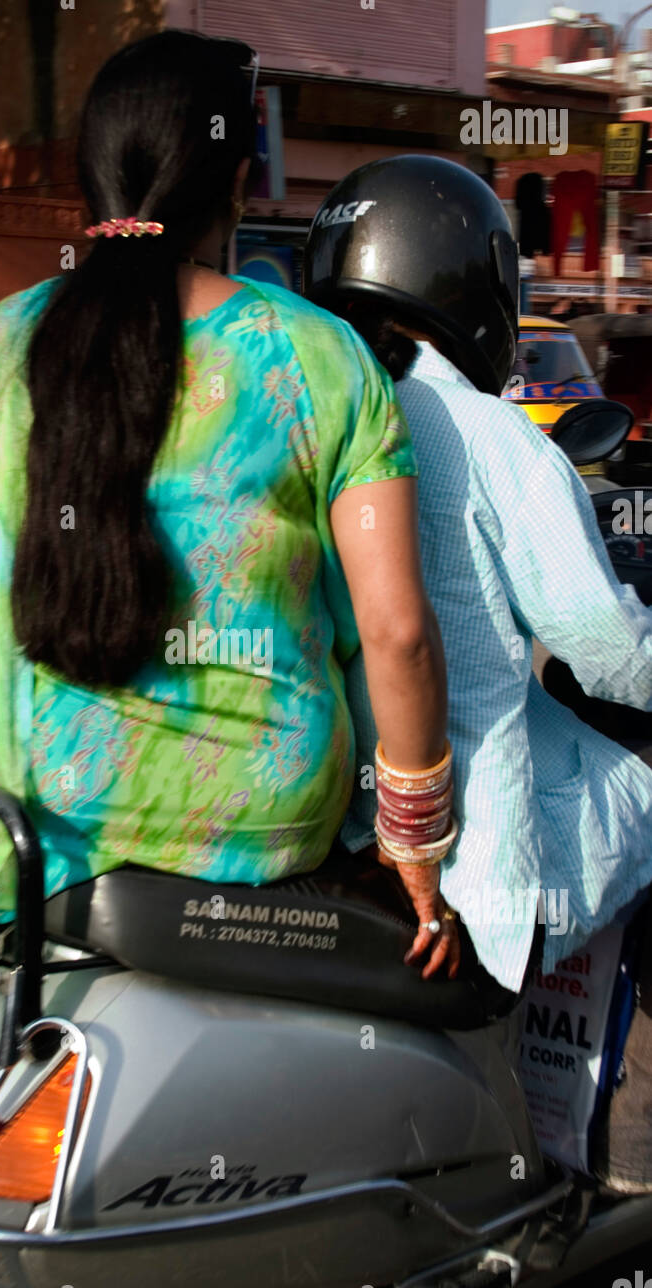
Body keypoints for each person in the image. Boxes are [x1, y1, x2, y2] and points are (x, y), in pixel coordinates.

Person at [0, 30, 456, 1159]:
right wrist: (414, 851)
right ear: (238, 178)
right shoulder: (318, 357)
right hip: (263, 814)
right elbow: (393, 631)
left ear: (90, 177)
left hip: (32, 814)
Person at [305, 153, 652, 1190]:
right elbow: (600, 639)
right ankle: (597, 1145)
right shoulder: (490, 436)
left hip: (333, 822)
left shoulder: (313, 409)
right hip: (465, 858)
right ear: (471, 284)